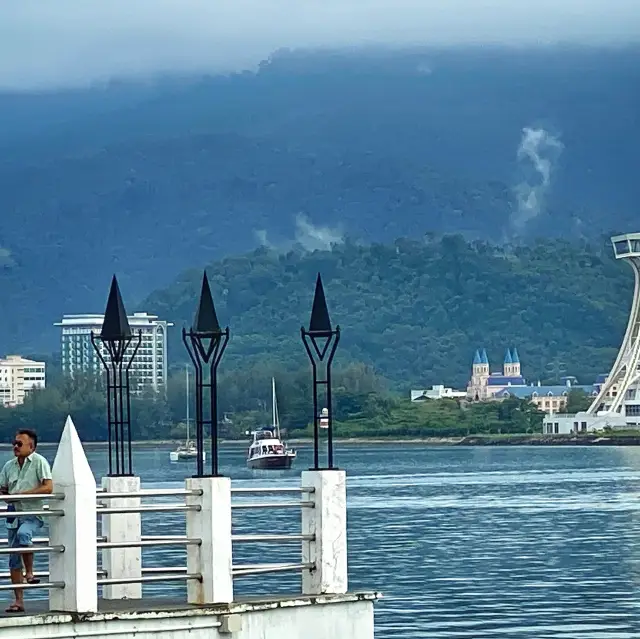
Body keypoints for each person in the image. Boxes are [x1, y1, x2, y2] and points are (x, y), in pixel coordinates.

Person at [0, 429, 53, 613]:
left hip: (32, 513)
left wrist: (25, 494)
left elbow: (48, 487)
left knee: (24, 534)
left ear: (31, 446)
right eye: (14, 443)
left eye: (19, 444)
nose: (15, 447)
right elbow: (3, 488)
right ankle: (18, 601)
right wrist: (6, 495)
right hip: (13, 514)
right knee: (13, 559)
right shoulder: (8, 466)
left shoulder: (39, 462)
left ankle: (30, 572)